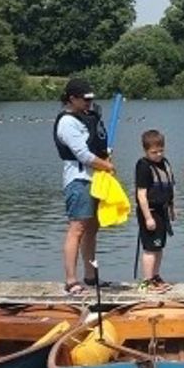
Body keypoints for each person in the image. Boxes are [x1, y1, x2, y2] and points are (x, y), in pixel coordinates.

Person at [53, 77, 115, 295]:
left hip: (96, 179)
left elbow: (97, 147)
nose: (89, 103)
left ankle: (91, 276)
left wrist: (105, 160)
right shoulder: (67, 122)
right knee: (77, 228)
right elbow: (83, 154)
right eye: (85, 99)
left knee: (92, 229)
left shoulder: (88, 117)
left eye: (91, 99)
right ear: (72, 99)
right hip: (78, 180)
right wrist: (105, 165)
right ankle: (71, 280)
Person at [133, 128, 175, 293]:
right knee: (150, 247)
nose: (158, 155)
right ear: (145, 151)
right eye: (153, 152)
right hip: (149, 211)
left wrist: (172, 207)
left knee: (159, 246)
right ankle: (146, 281)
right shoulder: (143, 166)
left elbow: (170, 187)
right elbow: (141, 194)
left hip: (162, 210)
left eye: (160, 151)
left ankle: (156, 276)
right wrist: (148, 217)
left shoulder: (164, 163)